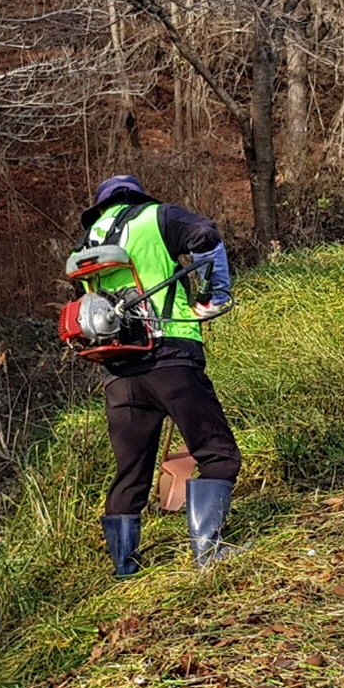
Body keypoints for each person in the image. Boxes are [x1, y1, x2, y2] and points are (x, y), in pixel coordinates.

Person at [77, 174, 241, 574]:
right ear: (136, 195)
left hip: (119, 372)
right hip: (171, 358)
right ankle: (209, 553)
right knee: (219, 456)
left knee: (130, 473)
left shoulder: (89, 242)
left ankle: (124, 568)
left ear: (101, 206)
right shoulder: (158, 217)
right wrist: (212, 294)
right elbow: (206, 235)